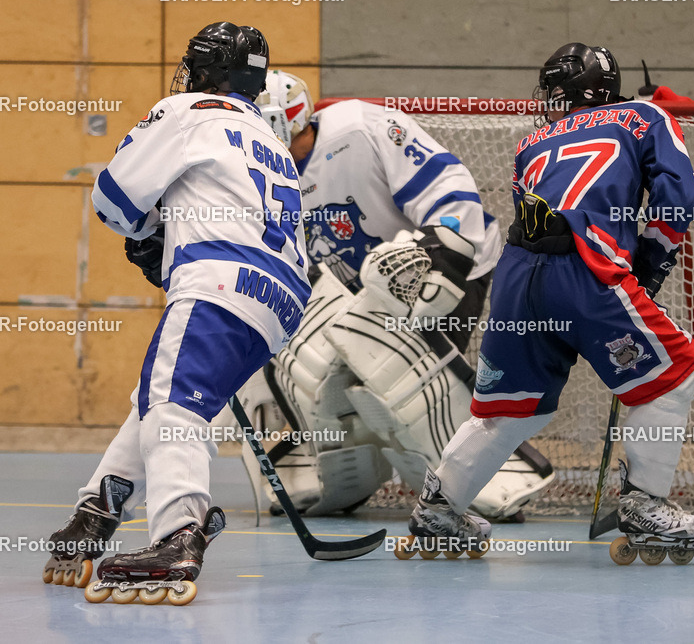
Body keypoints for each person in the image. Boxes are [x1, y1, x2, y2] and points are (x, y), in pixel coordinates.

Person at [401, 43, 694, 564]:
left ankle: (440, 509)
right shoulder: (646, 116)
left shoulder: (530, 143)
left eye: (553, 89)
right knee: (675, 370)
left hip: (516, 277)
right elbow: (678, 201)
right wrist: (651, 264)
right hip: (585, 268)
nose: (547, 98)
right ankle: (646, 504)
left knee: (509, 408)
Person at [43, 22, 310, 605]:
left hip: (221, 279)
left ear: (205, 71)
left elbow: (114, 197)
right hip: (282, 301)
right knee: (162, 397)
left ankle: (177, 536)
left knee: (172, 406)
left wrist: (146, 233)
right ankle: (97, 510)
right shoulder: (270, 138)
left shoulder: (188, 110)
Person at [228, 71, 553, 521]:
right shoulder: (254, 175)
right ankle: (346, 479)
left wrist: (443, 258)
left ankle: (488, 484)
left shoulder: (361, 128)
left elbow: (447, 187)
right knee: (312, 374)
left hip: (434, 270)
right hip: (351, 293)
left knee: (406, 387)